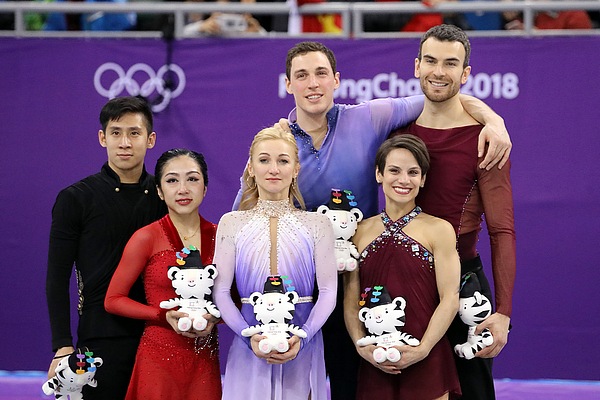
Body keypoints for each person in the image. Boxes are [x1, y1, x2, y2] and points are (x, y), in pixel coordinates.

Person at [232, 40, 511, 400]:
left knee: (353, 386)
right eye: (301, 76)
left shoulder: (368, 117)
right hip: (298, 291)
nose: (312, 83)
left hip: (355, 282)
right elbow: (245, 218)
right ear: (288, 84)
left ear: (336, 79)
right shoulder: (277, 145)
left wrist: (494, 120)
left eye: (320, 73)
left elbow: (439, 92)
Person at [392, 24, 516, 399]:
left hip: (465, 287)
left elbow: (502, 231)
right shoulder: (396, 133)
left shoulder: (487, 141)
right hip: (405, 285)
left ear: (465, 74)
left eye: (450, 64)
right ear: (416, 66)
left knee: (473, 392)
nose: (438, 72)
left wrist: (504, 312)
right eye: (430, 60)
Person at [45, 96, 167, 399]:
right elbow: (57, 277)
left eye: (134, 133)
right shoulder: (75, 198)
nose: (125, 142)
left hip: (158, 336)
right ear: (103, 138)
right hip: (99, 338)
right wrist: (62, 346)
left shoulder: (165, 197)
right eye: (116, 133)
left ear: (150, 140)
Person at [213, 127, 338, 399]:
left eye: (283, 161)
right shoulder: (231, 223)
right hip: (249, 348)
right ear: (250, 167)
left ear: (295, 168)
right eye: (264, 160)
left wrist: (303, 337)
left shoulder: (318, 224)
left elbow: (328, 291)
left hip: (303, 343)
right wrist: (249, 337)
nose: (274, 169)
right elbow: (220, 292)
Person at [344, 134, 461, 400]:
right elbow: (351, 300)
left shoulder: (439, 230)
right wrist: (362, 347)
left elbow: (450, 298)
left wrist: (422, 349)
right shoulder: (358, 232)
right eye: (394, 170)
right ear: (379, 174)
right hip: (375, 358)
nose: (403, 180)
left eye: (413, 172)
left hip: (426, 357)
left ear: (423, 179)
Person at [105, 148, 221, 399]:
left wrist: (215, 318)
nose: (183, 189)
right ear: (159, 190)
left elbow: (234, 299)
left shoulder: (223, 236)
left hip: (204, 360)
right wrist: (161, 314)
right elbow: (113, 300)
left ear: (205, 187)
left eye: (192, 179)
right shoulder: (146, 237)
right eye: (172, 180)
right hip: (157, 359)